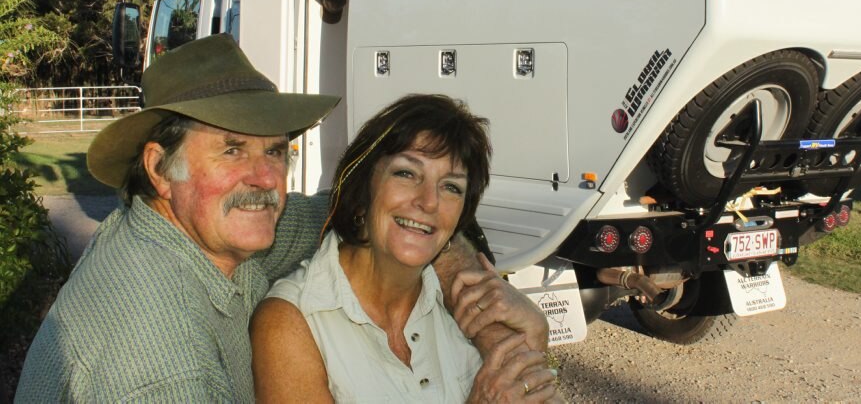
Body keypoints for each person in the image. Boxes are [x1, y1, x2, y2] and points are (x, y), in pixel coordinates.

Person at [15, 35, 549, 402]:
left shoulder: (221, 235)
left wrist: (462, 272)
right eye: (231, 150)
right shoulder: (155, 343)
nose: (265, 178)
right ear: (160, 168)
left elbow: (376, 211)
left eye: (275, 151)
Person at [251, 95, 559, 402]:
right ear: (361, 189)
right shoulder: (290, 324)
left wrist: (532, 345)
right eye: (406, 173)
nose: (429, 202)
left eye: (451, 186)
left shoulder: (460, 303)